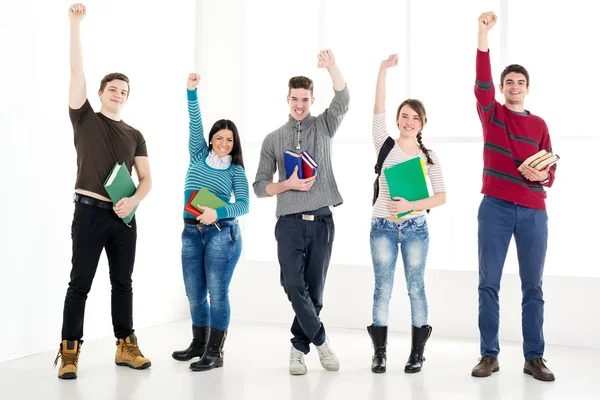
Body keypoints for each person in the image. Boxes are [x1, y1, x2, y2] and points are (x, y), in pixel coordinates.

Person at [55, 3, 152, 380]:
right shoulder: (83, 117)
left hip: (124, 216)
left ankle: (126, 345)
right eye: (112, 89)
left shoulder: (135, 134)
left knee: (122, 283)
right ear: (99, 93)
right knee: (79, 283)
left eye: (123, 91)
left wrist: (134, 199)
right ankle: (69, 351)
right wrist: (75, 24)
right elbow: (76, 70)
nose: (118, 94)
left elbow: (147, 179)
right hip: (90, 212)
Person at [471, 11, 557, 382]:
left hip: (534, 212)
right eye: (509, 81)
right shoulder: (492, 115)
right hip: (496, 208)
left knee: (532, 286)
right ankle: (489, 355)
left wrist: (543, 174)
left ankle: (533, 357)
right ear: (503, 88)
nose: (515, 86)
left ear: (527, 87)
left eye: (520, 82)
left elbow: (551, 169)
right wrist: (482, 34)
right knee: (489, 283)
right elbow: (481, 82)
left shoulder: (539, 125)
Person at [253, 50, 349, 375]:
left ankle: (297, 349)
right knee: (293, 284)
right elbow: (259, 185)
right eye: (295, 99)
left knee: (314, 289)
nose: (299, 105)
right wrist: (286, 184)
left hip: (322, 221)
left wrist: (331, 66)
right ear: (287, 98)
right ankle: (321, 342)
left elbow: (344, 98)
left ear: (311, 99)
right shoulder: (273, 139)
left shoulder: (323, 126)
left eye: (305, 99)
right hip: (289, 223)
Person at [368, 54, 446, 374]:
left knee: (416, 287)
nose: (408, 121)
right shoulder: (384, 145)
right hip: (382, 226)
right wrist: (383, 71)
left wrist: (411, 206)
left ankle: (417, 353)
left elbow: (441, 197)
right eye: (404, 116)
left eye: (414, 117)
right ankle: (380, 353)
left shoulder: (429, 156)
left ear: (422, 123)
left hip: (415, 227)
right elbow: (378, 109)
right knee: (382, 288)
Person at [171, 73, 249, 372]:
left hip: (221, 234)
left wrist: (219, 212)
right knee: (194, 292)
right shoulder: (198, 155)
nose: (224, 144)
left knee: (217, 293)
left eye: (229, 140)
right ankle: (199, 344)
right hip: (191, 232)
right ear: (211, 140)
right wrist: (192, 92)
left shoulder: (236, 171)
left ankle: (215, 352)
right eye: (219, 138)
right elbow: (195, 123)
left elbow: (243, 204)